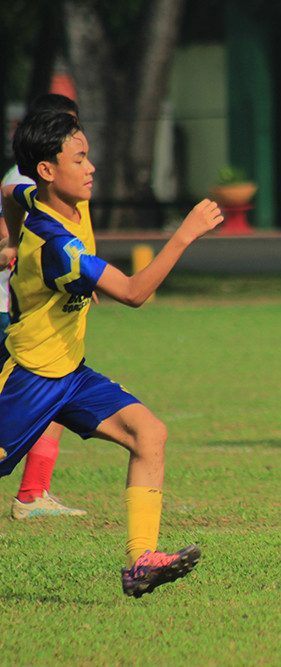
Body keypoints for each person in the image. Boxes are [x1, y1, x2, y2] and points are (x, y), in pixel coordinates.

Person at [0, 108, 224, 597]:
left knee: (150, 433)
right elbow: (136, 292)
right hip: (27, 377)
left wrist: (12, 242)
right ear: (47, 169)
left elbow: (7, 194)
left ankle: (142, 560)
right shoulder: (60, 246)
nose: (91, 167)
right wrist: (185, 234)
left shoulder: (41, 195)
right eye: (79, 158)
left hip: (71, 375)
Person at [1, 93, 86, 520]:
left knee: (52, 400)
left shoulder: (70, 180)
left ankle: (34, 493)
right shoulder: (32, 178)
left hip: (42, 316)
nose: (77, 146)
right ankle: (32, 494)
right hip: (14, 312)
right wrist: (13, 247)